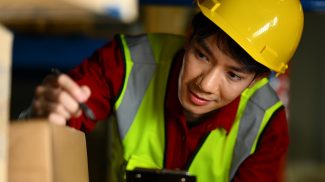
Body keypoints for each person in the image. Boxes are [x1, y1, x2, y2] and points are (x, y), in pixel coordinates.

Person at [19, 0, 304, 181]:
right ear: (188, 37)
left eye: (232, 75)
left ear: (255, 81)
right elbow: (54, 125)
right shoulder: (126, 62)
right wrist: (43, 116)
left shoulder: (266, 126)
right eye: (201, 56)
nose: (204, 85)